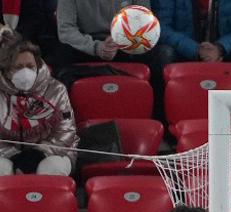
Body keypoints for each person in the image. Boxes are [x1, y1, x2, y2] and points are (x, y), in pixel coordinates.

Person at [0, 36, 77, 176]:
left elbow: (66, 131)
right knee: (2, 169)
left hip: (54, 152)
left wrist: (39, 153)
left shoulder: (56, 89)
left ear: (38, 66)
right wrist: (14, 156)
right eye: (18, 67)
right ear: (7, 70)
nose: (25, 72)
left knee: (51, 169)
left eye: (30, 66)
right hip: (6, 153)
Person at [152, 0, 231, 87]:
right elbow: (160, 27)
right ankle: (162, 112)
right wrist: (195, 50)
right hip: (184, 51)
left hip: (225, 52)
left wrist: (220, 48)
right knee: (164, 53)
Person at [51, 0, 154, 69]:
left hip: (124, 40)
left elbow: (144, 22)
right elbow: (66, 29)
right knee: (61, 53)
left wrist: (121, 39)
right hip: (86, 43)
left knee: (156, 54)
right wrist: (96, 47)